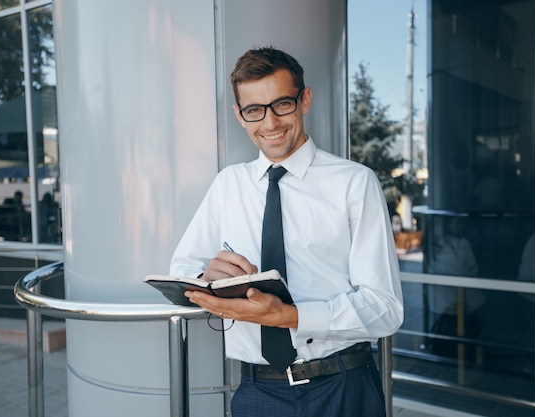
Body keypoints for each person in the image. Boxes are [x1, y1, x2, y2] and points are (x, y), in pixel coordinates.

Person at [169, 47, 403, 417]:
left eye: (282, 104)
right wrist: (206, 277)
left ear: (304, 99)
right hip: (257, 392)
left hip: (342, 387)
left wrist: (291, 316)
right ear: (240, 116)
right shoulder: (228, 184)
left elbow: (385, 309)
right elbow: (182, 267)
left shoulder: (354, 183)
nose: (270, 123)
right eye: (254, 110)